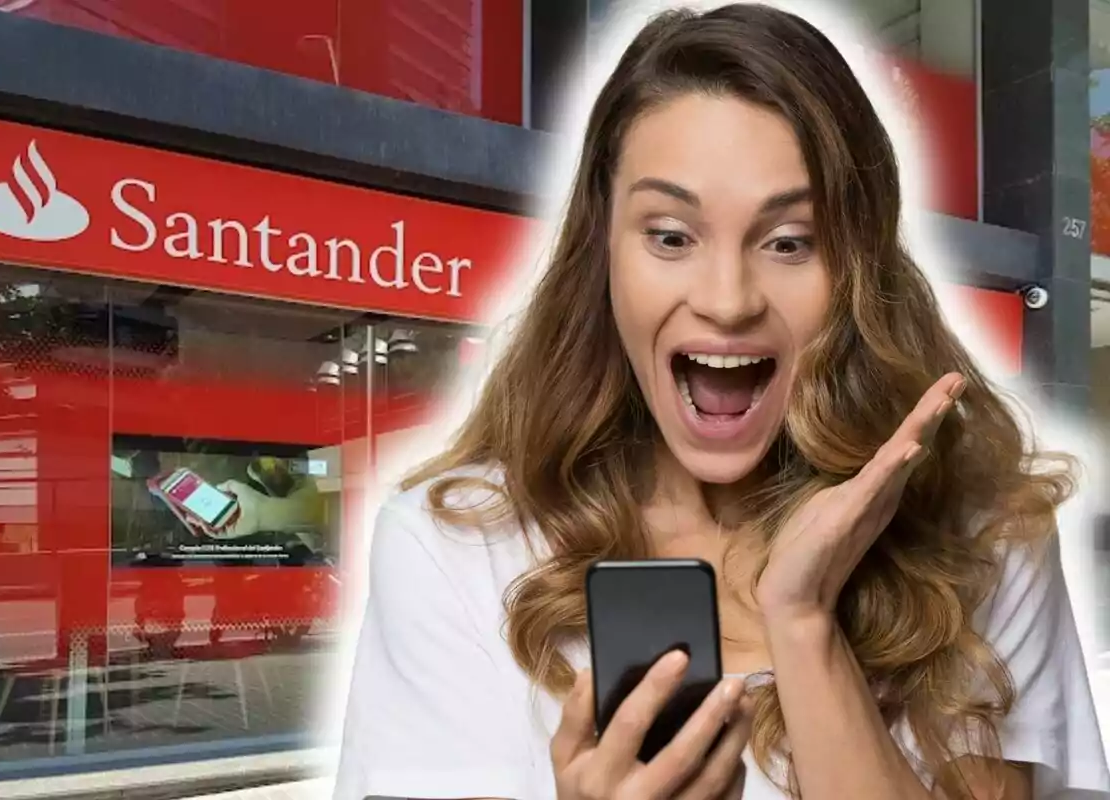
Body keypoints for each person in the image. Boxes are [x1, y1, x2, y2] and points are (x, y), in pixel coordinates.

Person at [332, 4, 1110, 799]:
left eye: (790, 242)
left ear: (857, 273)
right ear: (603, 251)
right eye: (670, 235)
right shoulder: (455, 543)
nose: (728, 300)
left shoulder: (980, 533)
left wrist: (804, 625)